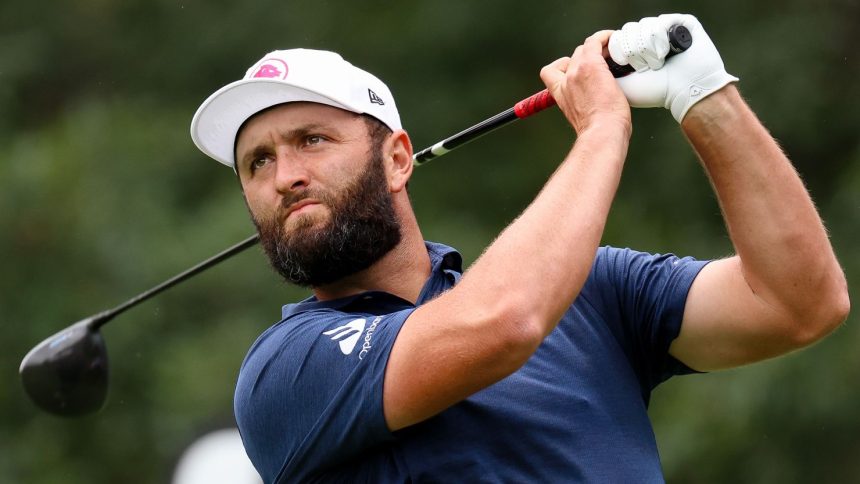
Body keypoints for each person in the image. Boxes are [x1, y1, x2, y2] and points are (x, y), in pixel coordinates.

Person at [190, 13, 849, 483]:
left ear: (397, 159)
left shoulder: (593, 293)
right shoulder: (285, 371)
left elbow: (799, 303)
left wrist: (705, 98)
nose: (284, 177)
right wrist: (599, 133)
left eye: (312, 140)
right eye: (257, 163)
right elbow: (503, 323)